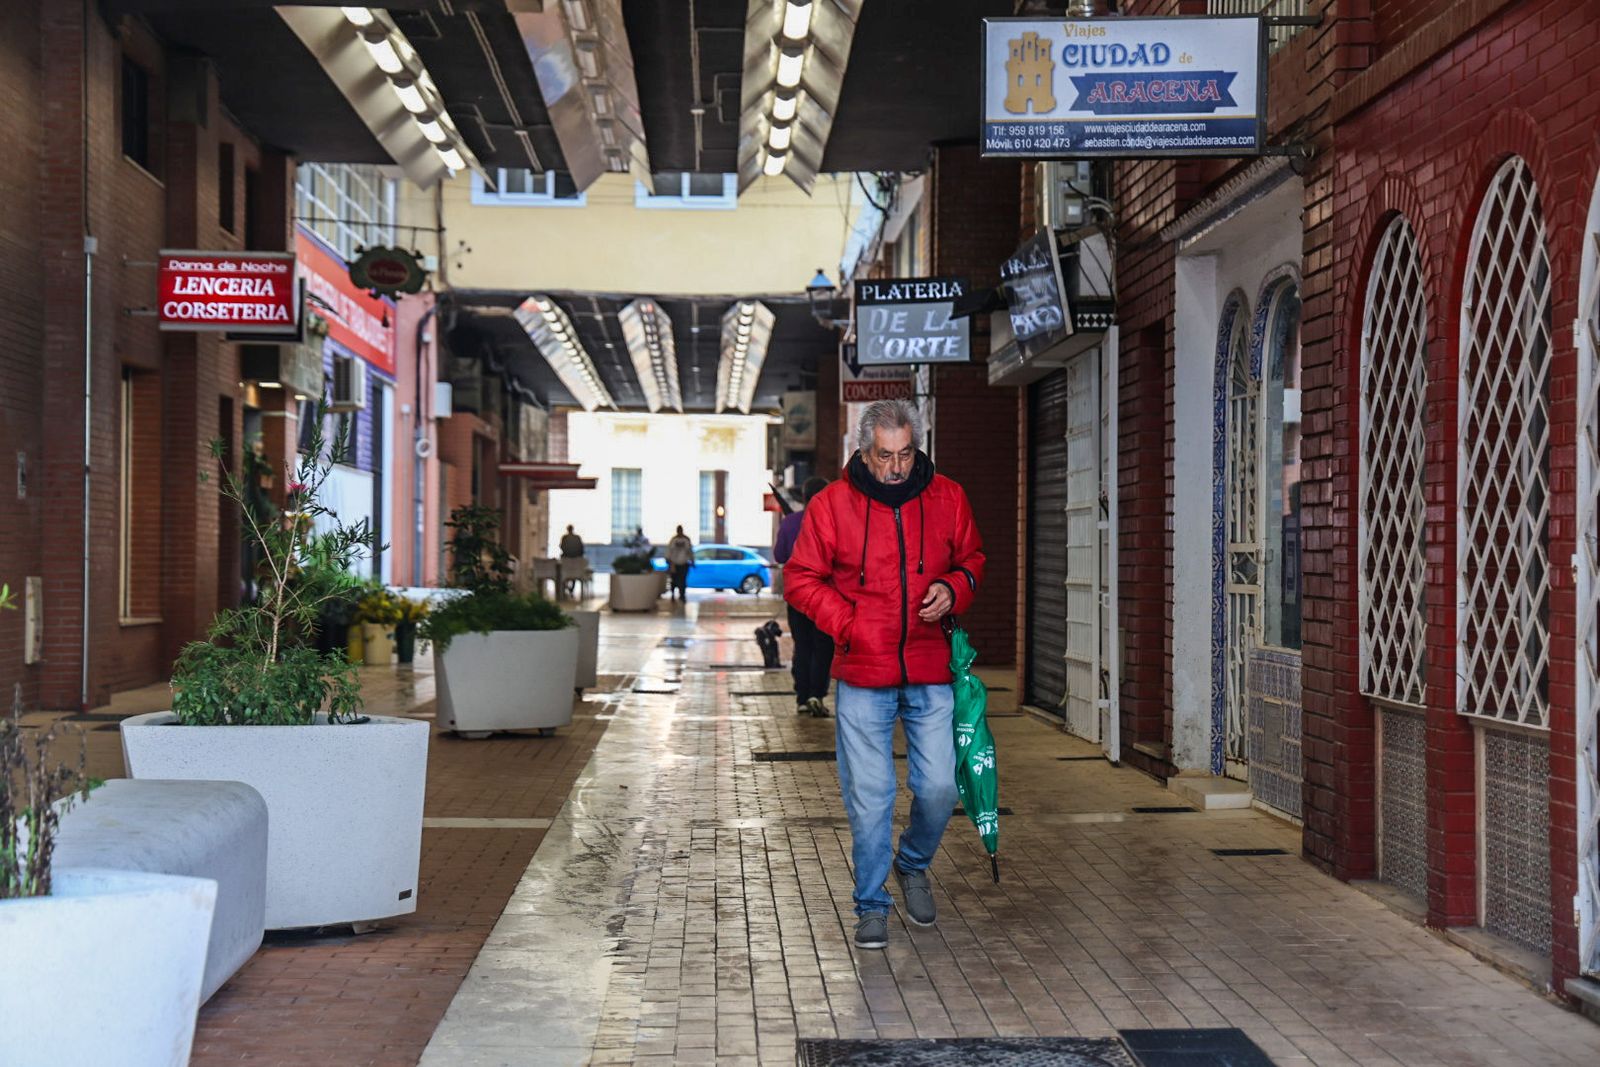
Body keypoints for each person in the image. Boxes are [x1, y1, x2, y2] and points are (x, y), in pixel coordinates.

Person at [784, 399, 984, 951]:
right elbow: (800, 579)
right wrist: (848, 623)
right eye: (884, 456)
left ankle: (913, 863)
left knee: (942, 787)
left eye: (905, 454)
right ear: (863, 451)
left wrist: (954, 588)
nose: (896, 467)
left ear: (915, 447)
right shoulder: (831, 506)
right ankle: (871, 904)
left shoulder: (948, 497)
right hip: (863, 674)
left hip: (929, 669)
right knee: (871, 797)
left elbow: (972, 559)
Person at [774, 476, 834, 717]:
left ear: (804, 497)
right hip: (825, 596)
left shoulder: (790, 523)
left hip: (797, 596)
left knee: (803, 645)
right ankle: (816, 695)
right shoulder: (833, 522)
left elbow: (779, 555)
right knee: (823, 647)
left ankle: (802, 696)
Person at [664, 525, 695, 603]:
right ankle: (673, 595)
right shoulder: (673, 540)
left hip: (684, 563)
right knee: (674, 581)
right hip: (674, 564)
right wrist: (668, 561)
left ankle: (682, 595)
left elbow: (690, 551)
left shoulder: (686, 540)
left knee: (683, 580)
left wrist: (692, 560)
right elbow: (669, 551)